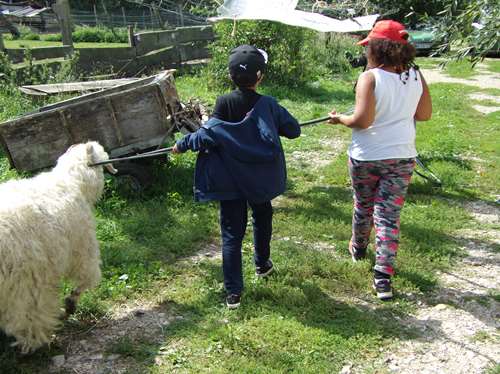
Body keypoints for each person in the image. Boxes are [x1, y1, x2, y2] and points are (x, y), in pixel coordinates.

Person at [172, 45, 301, 309]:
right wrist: (273, 121)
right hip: (260, 181)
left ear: (230, 76)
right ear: (260, 77)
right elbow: (294, 130)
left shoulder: (223, 102)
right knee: (262, 217)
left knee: (231, 235)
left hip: (230, 182)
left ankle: (233, 293)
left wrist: (182, 144)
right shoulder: (268, 105)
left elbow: (208, 133)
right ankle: (262, 264)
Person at [328, 20, 432, 300]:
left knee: (364, 204)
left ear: (377, 49)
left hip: (367, 155)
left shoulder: (370, 77)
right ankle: (383, 277)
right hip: (401, 156)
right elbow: (423, 114)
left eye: (368, 48)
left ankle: (359, 247)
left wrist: (340, 119)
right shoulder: (415, 76)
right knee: (388, 215)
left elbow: (362, 120)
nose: (366, 53)